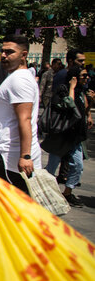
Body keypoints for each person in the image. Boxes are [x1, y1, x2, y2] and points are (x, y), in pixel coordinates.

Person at [0, 34, 41, 195]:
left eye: (9, 52)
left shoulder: (19, 80)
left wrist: (25, 155)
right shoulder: (16, 77)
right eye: (2, 51)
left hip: (11, 159)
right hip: (6, 154)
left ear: (23, 55)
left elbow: (25, 118)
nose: (3, 55)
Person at [41, 66, 91, 207]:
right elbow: (70, 106)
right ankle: (42, 192)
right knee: (52, 168)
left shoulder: (81, 92)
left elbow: (81, 111)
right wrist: (72, 88)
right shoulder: (63, 90)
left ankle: (67, 192)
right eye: (83, 76)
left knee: (78, 166)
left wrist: (89, 108)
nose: (86, 78)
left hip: (75, 137)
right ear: (73, 77)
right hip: (61, 137)